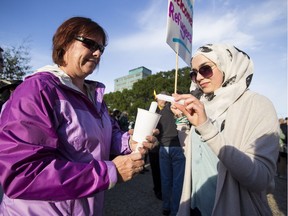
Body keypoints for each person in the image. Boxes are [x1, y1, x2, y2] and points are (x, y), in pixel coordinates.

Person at [0, 16, 159, 216]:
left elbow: (105, 139)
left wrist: (131, 142)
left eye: (101, 48)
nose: (97, 52)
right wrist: (110, 173)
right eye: (90, 43)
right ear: (64, 43)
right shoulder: (37, 90)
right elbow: (23, 174)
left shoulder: (95, 95)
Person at [172, 44, 279, 216]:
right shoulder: (203, 105)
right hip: (197, 207)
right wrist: (182, 121)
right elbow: (195, 157)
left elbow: (260, 179)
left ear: (226, 65)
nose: (198, 77)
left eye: (205, 69)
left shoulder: (258, 104)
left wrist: (206, 128)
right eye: (193, 73)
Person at [156, 92, 186, 216]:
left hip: (164, 148)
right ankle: (174, 210)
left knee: (166, 180)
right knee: (177, 182)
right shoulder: (174, 108)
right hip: (177, 147)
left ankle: (166, 207)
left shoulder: (157, 113)